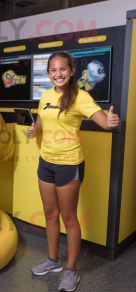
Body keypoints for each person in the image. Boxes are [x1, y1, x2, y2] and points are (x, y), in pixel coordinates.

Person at [26, 52, 119, 291]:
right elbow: (40, 122)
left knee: (69, 218)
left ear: (71, 71)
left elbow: (101, 121)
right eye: (54, 70)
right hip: (46, 162)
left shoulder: (80, 96)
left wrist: (109, 122)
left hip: (69, 164)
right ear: (48, 74)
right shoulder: (45, 95)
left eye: (63, 69)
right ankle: (53, 260)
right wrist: (33, 130)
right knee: (49, 214)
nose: (58, 74)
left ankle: (72, 270)